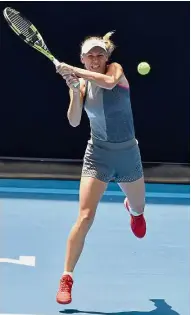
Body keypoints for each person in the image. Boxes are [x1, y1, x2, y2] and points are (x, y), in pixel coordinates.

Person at [55, 31, 146, 305]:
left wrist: (74, 72)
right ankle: (67, 277)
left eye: (100, 55)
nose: (95, 59)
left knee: (140, 211)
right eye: (90, 56)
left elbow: (107, 83)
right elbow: (73, 121)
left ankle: (133, 210)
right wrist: (73, 88)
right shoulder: (82, 84)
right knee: (84, 216)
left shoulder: (115, 71)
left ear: (106, 57)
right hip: (98, 155)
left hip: (128, 153)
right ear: (83, 58)